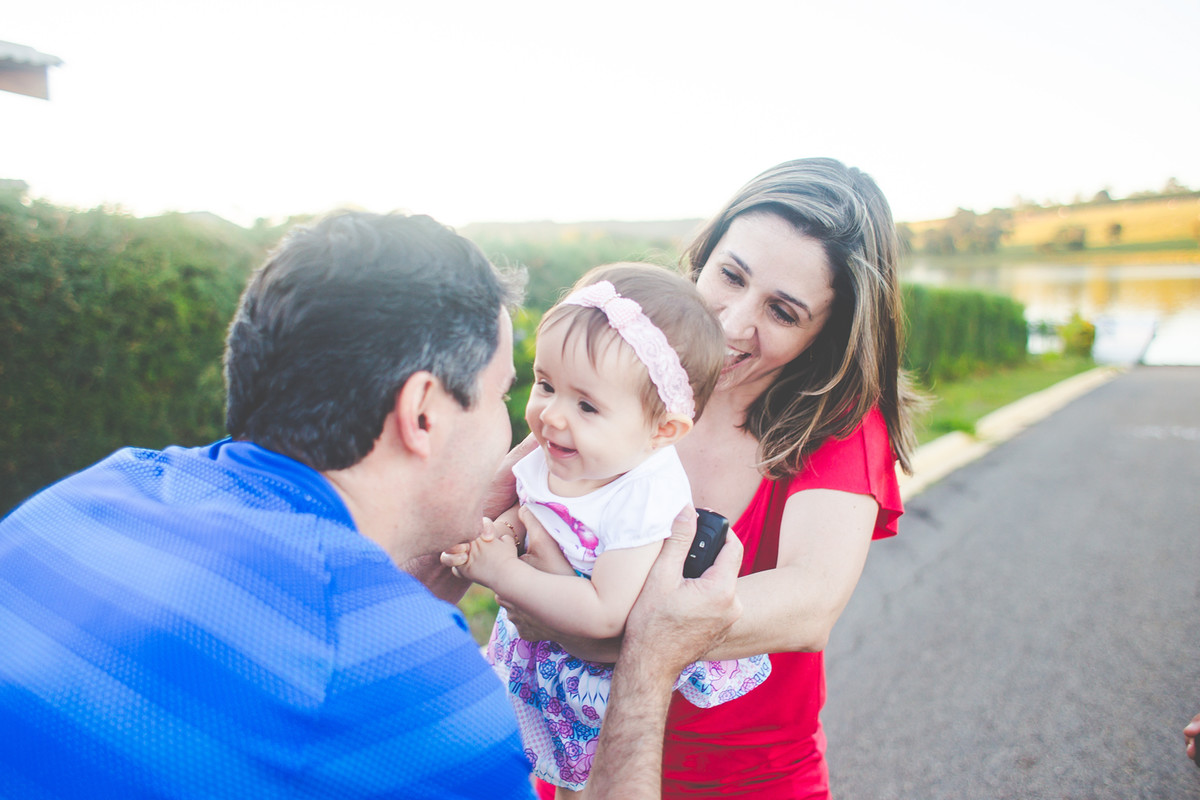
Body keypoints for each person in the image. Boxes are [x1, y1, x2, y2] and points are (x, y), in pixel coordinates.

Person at [0, 210, 745, 800]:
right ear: (423, 413)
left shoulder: (81, 497)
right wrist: (648, 667)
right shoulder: (400, 677)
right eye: (505, 394)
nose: (523, 428)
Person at [498, 158, 924, 799]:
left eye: (781, 311)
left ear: (826, 332)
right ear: (705, 252)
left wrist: (602, 627)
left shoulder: (838, 422)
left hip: (746, 781)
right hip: (574, 757)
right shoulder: (637, 360)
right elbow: (509, 484)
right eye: (730, 275)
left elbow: (810, 603)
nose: (730, 322)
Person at [442, 264, 771, 795]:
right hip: (536, 648)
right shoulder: (569, 452)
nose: (551, 415)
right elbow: (531, 510)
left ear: (662, 430)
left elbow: (603, 612)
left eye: (587, 404)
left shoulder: (643, 495)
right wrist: (502, 532)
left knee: (583, 785)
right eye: (546, 384)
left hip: (585, 683)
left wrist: (503, 572)